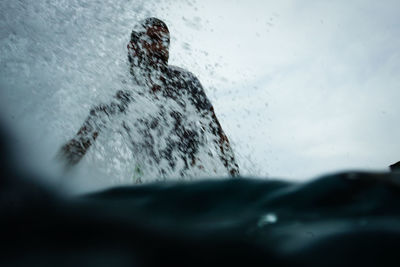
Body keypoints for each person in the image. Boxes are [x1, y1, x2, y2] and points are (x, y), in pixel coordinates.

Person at [59, 17, 239, 179]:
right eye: (152, 39)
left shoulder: (185, 82)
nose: (161, 47)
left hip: (196, 171)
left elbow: (217, 135)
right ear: (132, 47)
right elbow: (81, 142)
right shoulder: (117, 93)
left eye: (165, 41)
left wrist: (236, 179)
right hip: (148, 176)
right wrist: (50, 173)